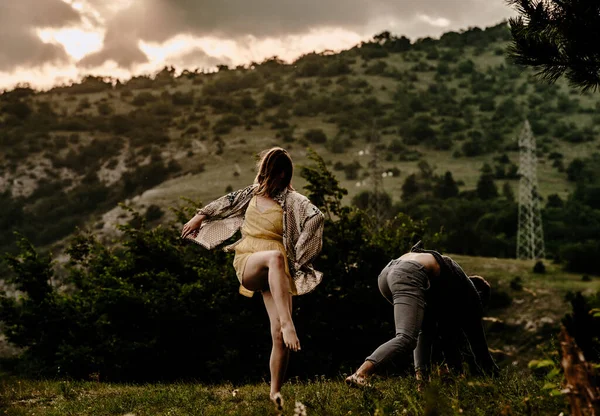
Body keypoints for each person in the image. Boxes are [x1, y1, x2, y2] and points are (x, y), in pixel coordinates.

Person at [180, 147, 324, 409]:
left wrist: (301, 257)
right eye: (273, 174)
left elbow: (317, 216)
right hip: (250, 262)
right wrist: (199, 215)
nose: (276, 179)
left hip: (278, 273)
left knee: (277, 334)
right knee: (275, 260)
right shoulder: (252, 193)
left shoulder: (293, 201)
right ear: (270, 172)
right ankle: (289, 323)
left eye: (280, 175)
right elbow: (227, 201)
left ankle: (275, 393)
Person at [345, 242, 497, 387]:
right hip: (408, 273)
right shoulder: (471, 296)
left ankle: (422, 383)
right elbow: (479, 345)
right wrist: (495, 377)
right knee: (405, 338)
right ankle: (361, 374)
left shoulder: (442, 287)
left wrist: (456, 372)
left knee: (425, 327)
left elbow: (444, 337)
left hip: (387, 273)